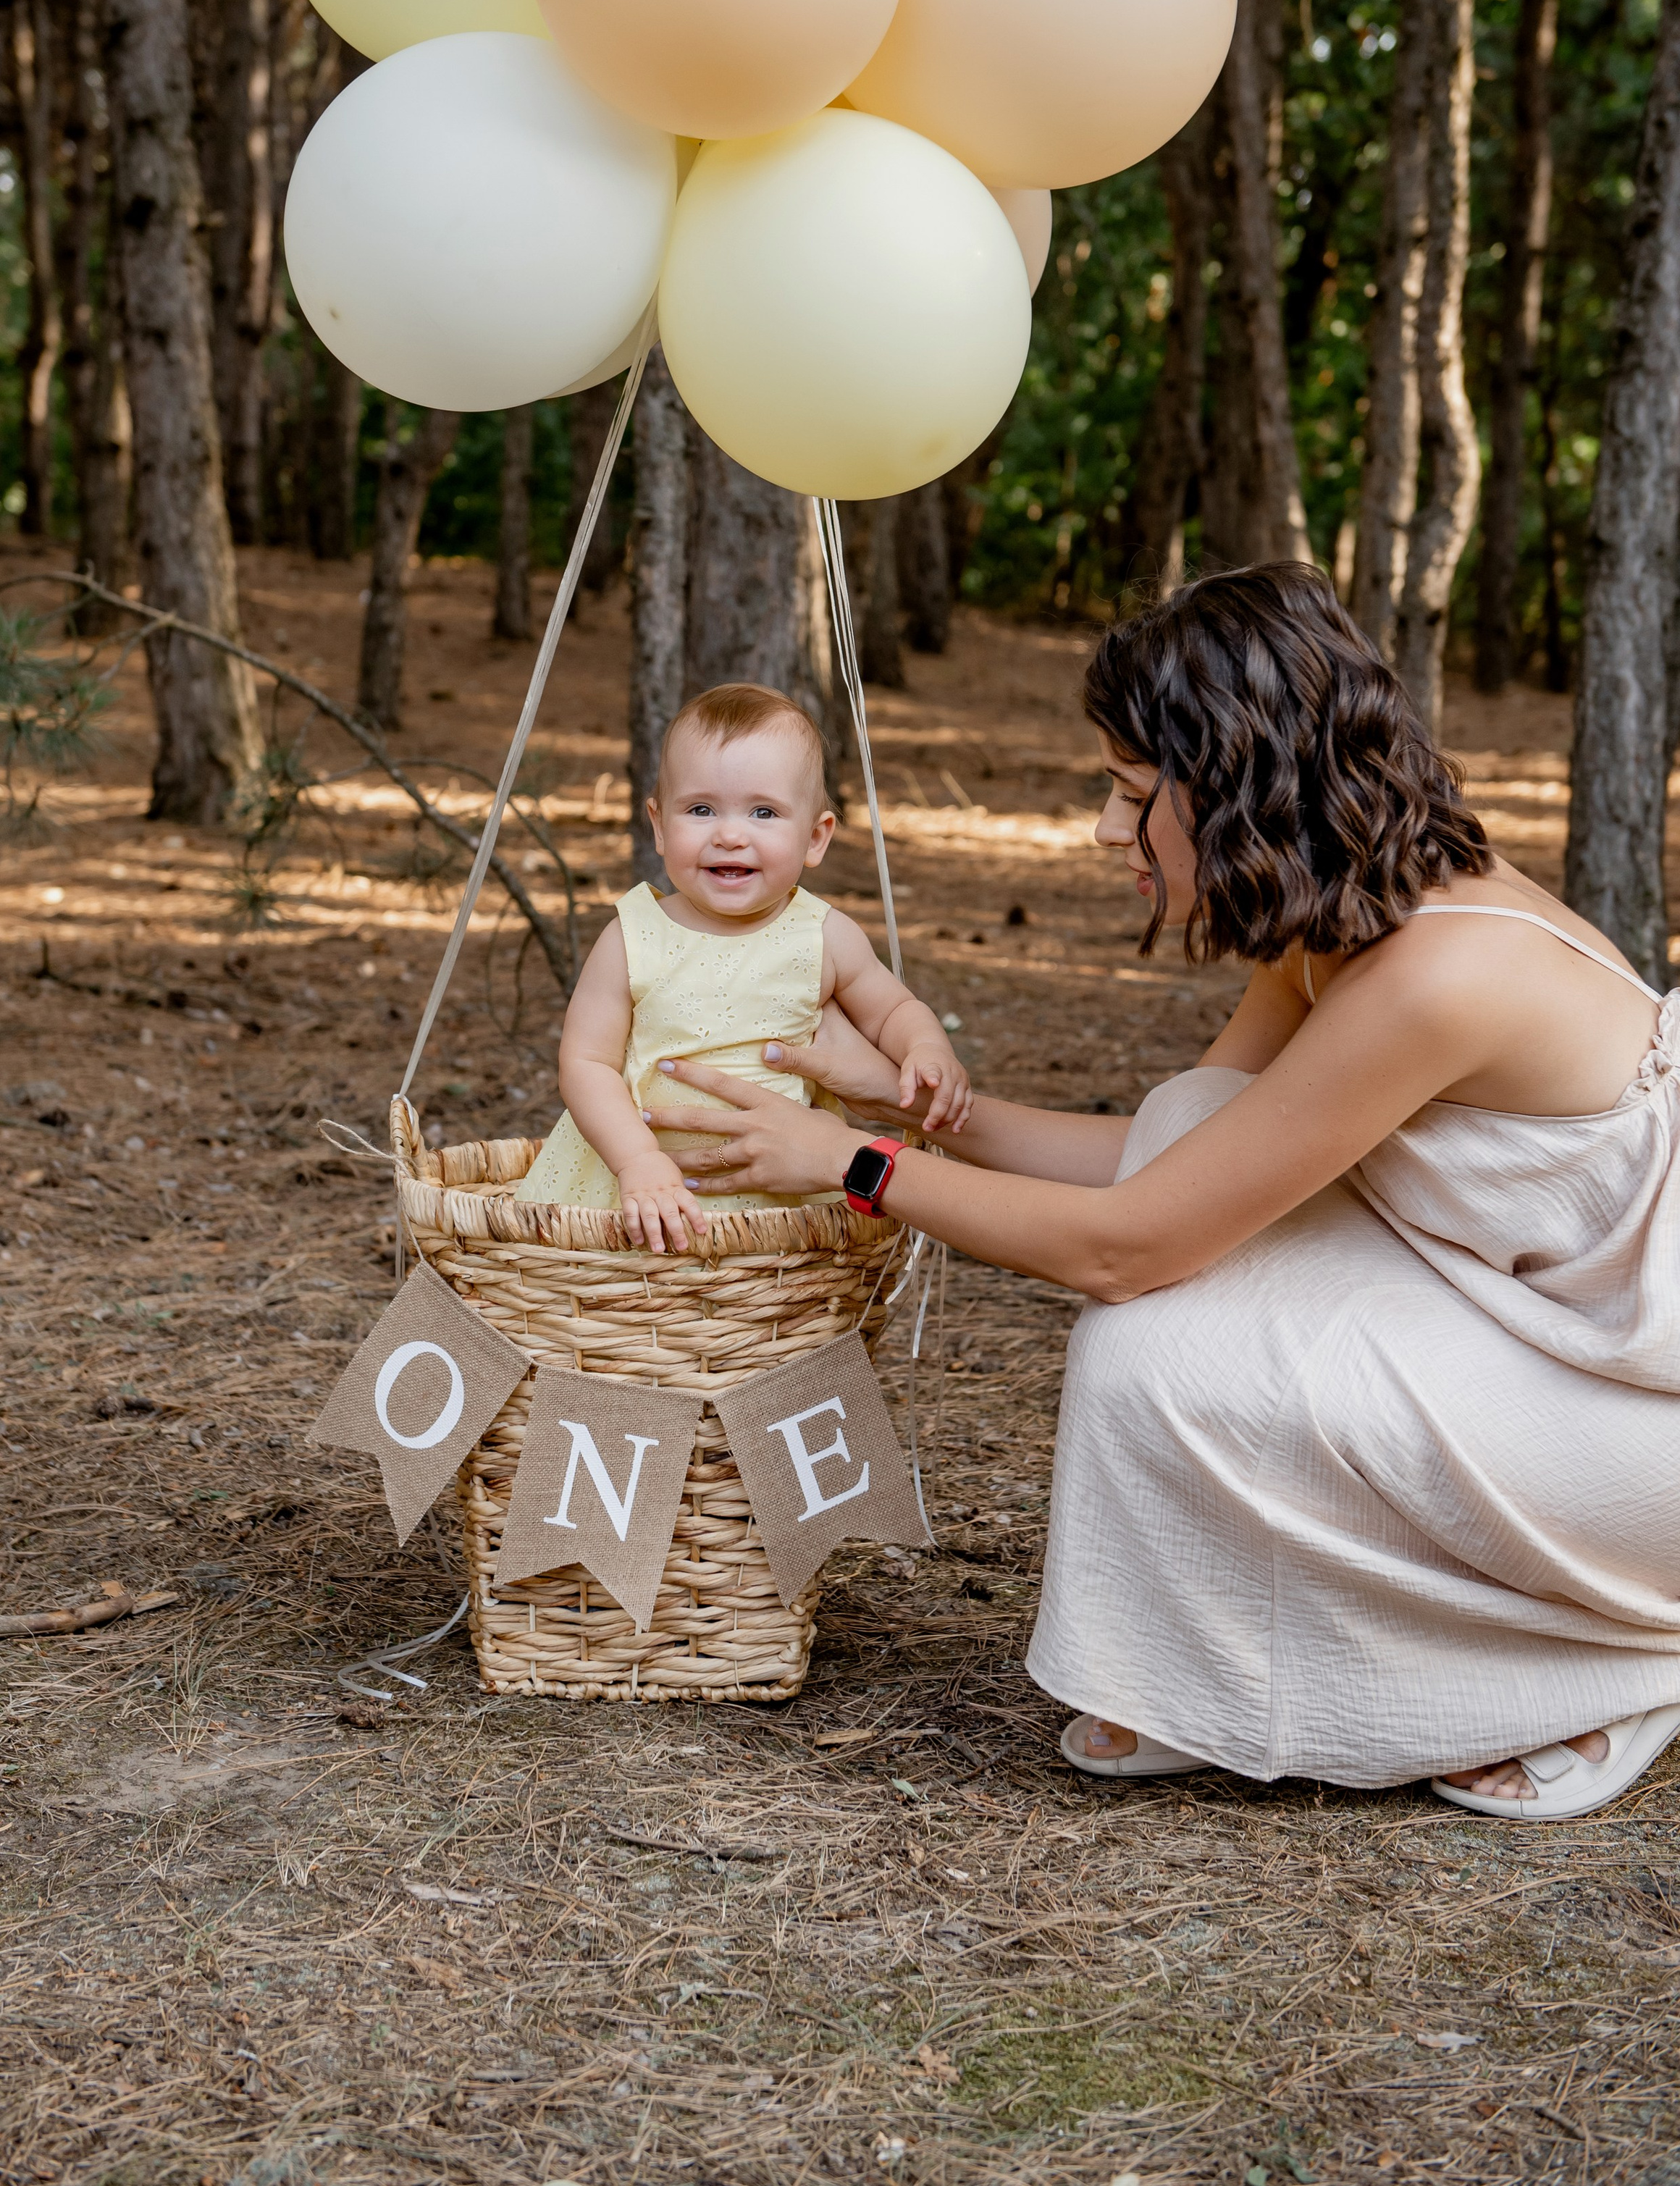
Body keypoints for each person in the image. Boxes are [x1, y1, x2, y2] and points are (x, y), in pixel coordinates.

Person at [644, 566, 1680, 1824]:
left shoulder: (1442, 975)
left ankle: (1607, 1666)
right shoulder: (1344, 919)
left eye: (1132, 796)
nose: (1098, 829)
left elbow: (1125, 1247)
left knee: (1150, 1342)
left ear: (1236, 787)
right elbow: (1164, 1153)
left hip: (1640, 1436)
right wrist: (908, 1106)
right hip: (1552, 1348)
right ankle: (1235, 1672)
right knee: (1185, 1183)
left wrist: (855, 1169)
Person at [515, 681, 970, 1252]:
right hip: (644, 1179)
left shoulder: (823, 935)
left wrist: (926, 1048)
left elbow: (893, 1009)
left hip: (780, 1191)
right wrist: (637, 1161)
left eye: (764, 812)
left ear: (815, 836)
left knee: (764, 1321)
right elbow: (586, 1062)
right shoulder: (632, 935)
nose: (730, 834)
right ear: (658, 824)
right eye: (701, 809)